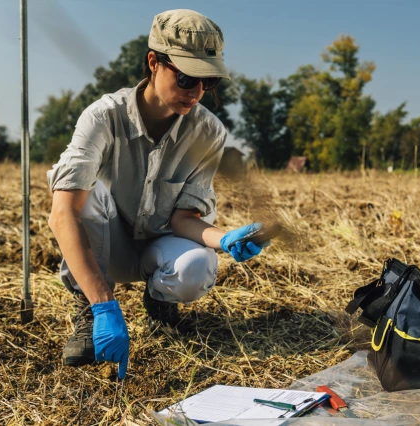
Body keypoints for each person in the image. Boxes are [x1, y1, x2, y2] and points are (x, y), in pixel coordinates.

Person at [46, 9, 271, 380]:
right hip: (107, 246)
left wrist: (224, 239)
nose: (196, 92)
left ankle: (160, 300)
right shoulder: (103, 117)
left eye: (208, 80)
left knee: (198, 266)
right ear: (154, 62)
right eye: (186, 77)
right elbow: (62, 213)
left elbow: (184, 219)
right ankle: (89, 311)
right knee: (89, 194)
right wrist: (104, 304)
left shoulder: (208, 133)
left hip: (158, 245)